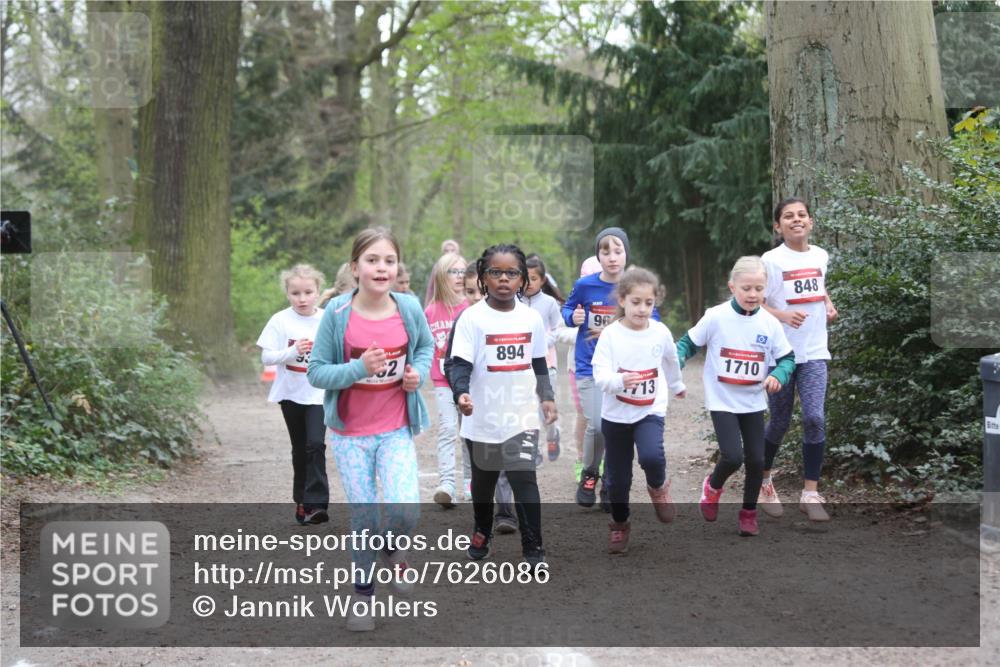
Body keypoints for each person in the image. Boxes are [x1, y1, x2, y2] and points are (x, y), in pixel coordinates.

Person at [306, 227, 434, 631]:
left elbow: (427, 348)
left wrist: (417, 375)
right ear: (355, 267)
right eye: (373, 260)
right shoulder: (337, 314)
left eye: (389, 261)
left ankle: (393, 547)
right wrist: (359, 368)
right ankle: (363, 596)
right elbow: (317, 373)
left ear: (398, 268)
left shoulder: (409, 308)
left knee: (405, 510)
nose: (382, 268)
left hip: (395, 427)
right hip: (350, 435)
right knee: (364, 517)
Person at [448, 244, 557, 567]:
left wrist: (547, 396)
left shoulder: (531, 319)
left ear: (523, 279)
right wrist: (461, 393)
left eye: (512, 273)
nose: (504, 279)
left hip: (521, 415)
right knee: (483, 484)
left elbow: (538, 362)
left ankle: (533, 548)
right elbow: (458, 364)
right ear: (483, 278)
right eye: (496, 272)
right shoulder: (472, 318)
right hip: (480, 416)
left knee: (525, 478)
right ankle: (482, 529)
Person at [676, 256, 796, 537]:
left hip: (752, 401)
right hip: (722, 400)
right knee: (732, 456)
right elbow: (687, 343)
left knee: (756, 459)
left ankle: (748, 513)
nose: (752, 294)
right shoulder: (716, 316)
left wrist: (778, 375)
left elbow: (788, 358)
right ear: (732, 287)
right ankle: (713, 487)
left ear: (766, 289)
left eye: (758, 288)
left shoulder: (769, 323)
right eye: (746, 288)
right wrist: (678, 359)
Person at [592, 268, 686, 553]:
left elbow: (670, 359)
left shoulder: (660, 332)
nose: (642, 309)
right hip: (616, 415)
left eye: (648, 303)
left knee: (651, 457)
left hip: (650, 409)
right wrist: (620, 381)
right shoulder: (610, 335)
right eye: (636, 302)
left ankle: (658, 488)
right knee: (617, 481)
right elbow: (600, 375)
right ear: (622, 300)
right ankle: (620, 524)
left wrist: (677, 383)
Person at [760, 197, 838, 521]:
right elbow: (755, 302)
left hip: (815, 351)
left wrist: (828, 304)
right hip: (781, 355)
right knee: (779, 421)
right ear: (778, 226)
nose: (796, 220)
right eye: (788, 216)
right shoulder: (771, 260)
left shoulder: (821, 255)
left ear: (811, 222)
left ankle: (810, 492)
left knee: (814, 419)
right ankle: (763, 481)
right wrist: (783, 315)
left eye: (802, 215)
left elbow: (818, 286)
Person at [562, 229, 647, 511]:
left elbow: (653, 317)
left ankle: (611, 485)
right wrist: (572, 317)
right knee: (597, 425)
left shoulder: (635, 285)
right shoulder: (585, 285)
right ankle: (589, 473)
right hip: (588, 366)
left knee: (618, 429)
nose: (612, 258)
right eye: (606, 252)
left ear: (626, 253)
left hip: (624, 369)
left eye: (618, 251)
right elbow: (568, 308)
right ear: (598, 255)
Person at [256, 264, 331, 526]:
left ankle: (317, 505)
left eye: (308, 292)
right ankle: (302, 502)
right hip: (290, 394)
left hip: (319, 394)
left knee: (316, 444)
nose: (302, 298)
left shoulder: (326, 319)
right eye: (295, 293)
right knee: (300, 449)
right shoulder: (280, 320)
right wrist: (292, 352)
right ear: (287, 293)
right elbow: (267, 356)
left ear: (318, 292)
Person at [424, 252, 470, 509]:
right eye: (453, 271)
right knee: (447, 431)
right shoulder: (431, 311)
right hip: (442, 380)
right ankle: (447, 484)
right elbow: (423, 345)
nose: (459, 277)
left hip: (469, 381)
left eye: (463, 271)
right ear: (441, 276)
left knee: (470, 433)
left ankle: (471, 483)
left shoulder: (472, 308)